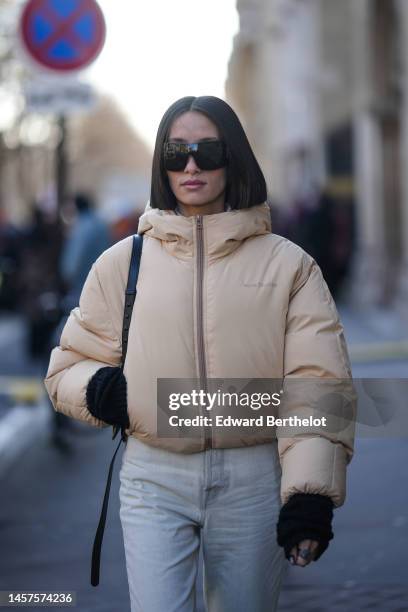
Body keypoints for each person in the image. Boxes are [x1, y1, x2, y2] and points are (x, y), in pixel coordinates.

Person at [44, 96, 355, 612]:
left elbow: (318, 384)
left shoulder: (290, 266)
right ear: (160, 163)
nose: (191, 165)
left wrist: (309, 492)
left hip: (254, 479)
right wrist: (97, 390)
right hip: (152, 478)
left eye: (207, 151)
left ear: (232, 158)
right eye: (176, 151)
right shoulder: (121, 263)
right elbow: (67, 368)